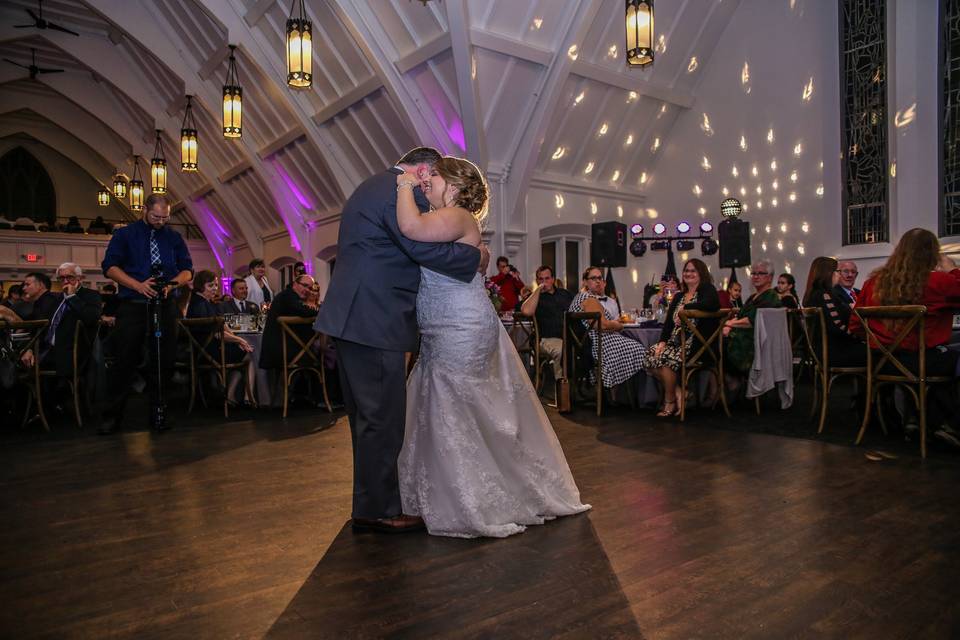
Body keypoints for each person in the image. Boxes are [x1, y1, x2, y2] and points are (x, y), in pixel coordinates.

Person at [393, 155, 589, 538]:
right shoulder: (450, 219)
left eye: (434, 174)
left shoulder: (458, 216)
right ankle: (446, 491)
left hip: (460, 328)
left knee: (458, 410)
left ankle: (475, 499)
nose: (426, 178)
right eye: (424, 174)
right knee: (448, 410)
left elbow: (409, 227)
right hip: (443, 329)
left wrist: (402, 181)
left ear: (454, 187)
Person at [315, 147, 489, 534]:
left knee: (368, 418)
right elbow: (417, 246)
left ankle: (369, 505)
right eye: (430, 179)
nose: (427, 188)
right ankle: (380, 510)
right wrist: (472, 257)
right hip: (373, 317)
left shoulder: (375, 185)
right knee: (382, 419)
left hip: (356, 316)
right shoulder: (398, 188)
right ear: (422, 170)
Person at [847, 229, 960, 445]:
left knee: (937, 357)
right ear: (932, 255)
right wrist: (953, 270)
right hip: (921, 363)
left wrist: (884, 340)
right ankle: (953, 425)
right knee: (945, 357)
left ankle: (918, 420)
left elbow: (855, 325)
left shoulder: (873, 283)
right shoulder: (937, 282)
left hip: (881, 363)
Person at [98, 193, 193, 434]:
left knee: (164, 361)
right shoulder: (125, 235)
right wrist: (137, 285)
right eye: (155, 216)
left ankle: (159, 413)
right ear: (144, 210)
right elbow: (109, 267)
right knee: (125, 360)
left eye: (165, 217)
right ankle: (112, 417)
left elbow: (188, 270)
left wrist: (172, 284)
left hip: (165, 305)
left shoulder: (174, 237)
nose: (160, 221)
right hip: (133, 303)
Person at [642, 259, 720, 416]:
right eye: (686, 270)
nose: (688, 274)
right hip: (675, 343)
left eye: (693, 271)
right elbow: (668, 325)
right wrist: (662, 342)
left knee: (664, 359)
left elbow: (712, 304)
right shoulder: (678, 296)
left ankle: (669, 401)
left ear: (701, 273)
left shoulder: (706, 289)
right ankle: (680, 392)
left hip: (698, 346)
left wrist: (686, 309)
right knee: (651, 354)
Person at [569, 266, 647, 390]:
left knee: (642, 350)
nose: (598, 281)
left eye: (600, 278)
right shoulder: (587, 298)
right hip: (600, 346)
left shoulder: (581, 297)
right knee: (643, 351)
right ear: (585, 282)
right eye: (593, 278)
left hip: (595, 344)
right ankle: (646, 396)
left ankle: (624, 395)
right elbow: (602, 325)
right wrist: (618, 325)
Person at [20, 263, 102, 376]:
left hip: (71, 353)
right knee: (16, 363)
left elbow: (91, 318)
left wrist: (72, 297)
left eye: (70, 277)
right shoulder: (57, 298)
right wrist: (29, 349)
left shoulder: (90, 295)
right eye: (61, 278)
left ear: (80, 278)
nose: (65, 281)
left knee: (20, 369)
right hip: (47, 349)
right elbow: (42, 327)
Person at [187, 270, 254, 404]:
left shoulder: (204, 302)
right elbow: (216, 333)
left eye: (216, 285)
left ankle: (231, 396)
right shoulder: (200, 305)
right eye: (210, 285)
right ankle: (246, 397)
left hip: (207, 349)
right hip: (207, 352)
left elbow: (221, 325)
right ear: (201, 285)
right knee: (250, 355)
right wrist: (239, 340)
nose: (215, 289)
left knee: (245, 351)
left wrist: (237, 339)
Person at [801, 257, 865, 367]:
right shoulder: (824, 295)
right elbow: (837, 327)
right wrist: (861, 337)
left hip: (828, 349)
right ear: (828, 273)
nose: (839, 275)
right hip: (834, 351)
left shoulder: (817, 293)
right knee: (877, 352)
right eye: (837, 271)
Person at [723, 259, 782, 375]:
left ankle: (729, 384)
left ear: (769, 277)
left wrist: (729, 324)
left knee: (715, 346)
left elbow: (752, 321)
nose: (756, 276)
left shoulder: (771, 296)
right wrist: (728, 325)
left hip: (754, 343)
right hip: (744, 336)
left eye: (760, 273)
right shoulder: (753, 297)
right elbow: (740, 316)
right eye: (754, 273)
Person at [520, 265, 574, 385]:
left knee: (580, 347)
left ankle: (577, 386)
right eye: (541, 279)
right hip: (545, 339)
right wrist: (538, 290)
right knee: (562, 350)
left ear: (553, 279)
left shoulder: (565, 294)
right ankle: (561, 390)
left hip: (569, 336)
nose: (544, 282)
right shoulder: (535, 297)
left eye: (547, 278)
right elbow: (526, 311)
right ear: (537, 280)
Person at [259, 274, 318, 371]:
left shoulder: (288, 295)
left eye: (310, 288)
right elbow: (303, 311)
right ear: (295, 284)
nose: (308, 290)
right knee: (325, 353)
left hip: (280, 349)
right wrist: (322, 313)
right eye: (305, 285)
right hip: (282, 351)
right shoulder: (288, 296)